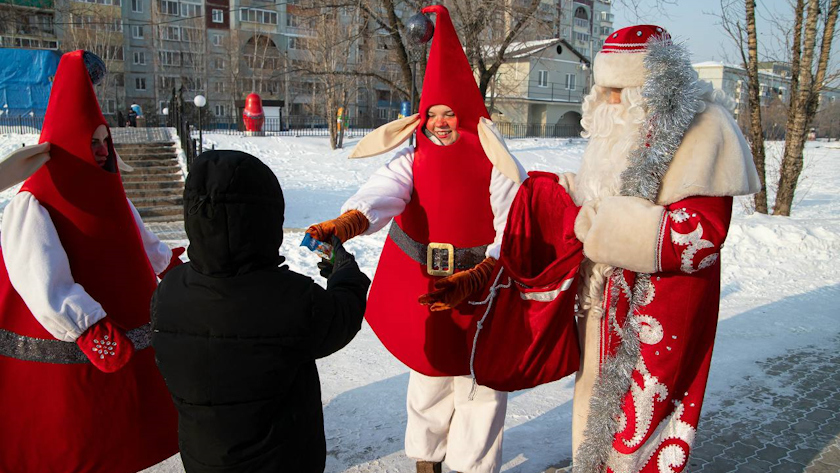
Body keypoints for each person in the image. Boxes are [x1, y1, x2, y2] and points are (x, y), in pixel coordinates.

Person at [307, 6, 526, 473]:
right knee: (428, 372)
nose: (441, 122)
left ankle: (471, 466)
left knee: (479, 384)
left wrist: (482, 273)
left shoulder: (495, 159)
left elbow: (514, 223)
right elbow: (385, 190)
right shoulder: (415, 155)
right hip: (429, 287)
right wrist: (348, 222)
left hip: (481, 292)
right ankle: (427, 459)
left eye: (450, 113)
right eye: (433, 113)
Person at [565, 26, 760, 473]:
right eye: (603, 89)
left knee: (638, 426)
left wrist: (601, 224)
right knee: (592, 410)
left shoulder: (703, 129)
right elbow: (606, 195)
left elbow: (700, 236)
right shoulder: (619, 132)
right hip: (601, 301)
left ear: (648, 89)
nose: (609, 102)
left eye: (618, 90)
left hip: (656, 308)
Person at [0, 50, 181, 472]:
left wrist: (168, 267)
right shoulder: (34, 201)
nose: (100, 151)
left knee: (124, 425)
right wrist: (86, 326)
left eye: (104, 141)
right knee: (77, 431)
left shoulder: (110, 192)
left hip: (127, 329)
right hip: (68, 341)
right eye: (91, 142)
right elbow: (39, 277)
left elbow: (138, 238)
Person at [150, 150, 371, 473]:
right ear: (267, 221)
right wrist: (344, 272)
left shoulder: (168, 290)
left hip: (203, 459)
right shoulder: (291, 297)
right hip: (281, 460)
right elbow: (342, 318)